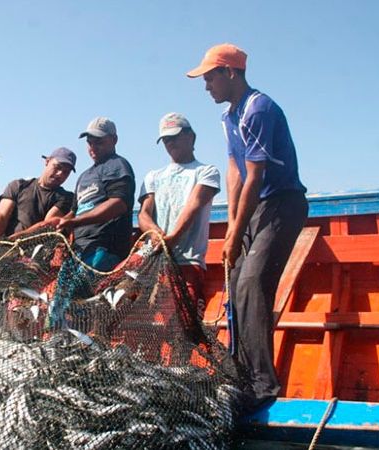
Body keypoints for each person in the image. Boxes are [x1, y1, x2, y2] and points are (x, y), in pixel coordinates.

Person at [187, 43, 308, 411]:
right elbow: (236, 173)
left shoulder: (259, 109)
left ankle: (262, 385)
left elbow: (256, 175)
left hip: (282, 204)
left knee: (254, 282)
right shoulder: (228, 118)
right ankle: (240, 373)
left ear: (231, 73)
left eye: (210, 77)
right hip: (255, 209)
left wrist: (237, 233)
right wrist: (233, 227)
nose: (207, 86)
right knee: (237, 282)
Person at [137, 113, 220, 313]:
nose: (170, 143)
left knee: (185, 327)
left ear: (191, 136)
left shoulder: (207, 172)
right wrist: (155, 233)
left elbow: (194, 205)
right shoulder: (152, 176)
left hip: (187, 262)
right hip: (154, 261)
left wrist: (173, 238)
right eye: (165, 139)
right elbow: (144, 214)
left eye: (174, 137)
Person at [57, 117, 136, 271]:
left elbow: (119, 204)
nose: (93, 147)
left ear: (114, 140)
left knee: (78, 293)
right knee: (59, 295)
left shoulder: (117, 165)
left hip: (104, 250)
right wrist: (63, 223)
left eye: (98, 142)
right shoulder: (84, 176)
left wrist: (75, 222)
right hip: (79, 250)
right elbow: (74, 211)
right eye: (89, 142)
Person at [0, 147, 76, 239]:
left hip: (38, 248)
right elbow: (1, 216)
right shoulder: (17, 185)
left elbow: (47, 227)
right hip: (5, 247)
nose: (60, 174)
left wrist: (17, 238)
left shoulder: (67, 198)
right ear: (47, 161)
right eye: (58, 167)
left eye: (66, 172)